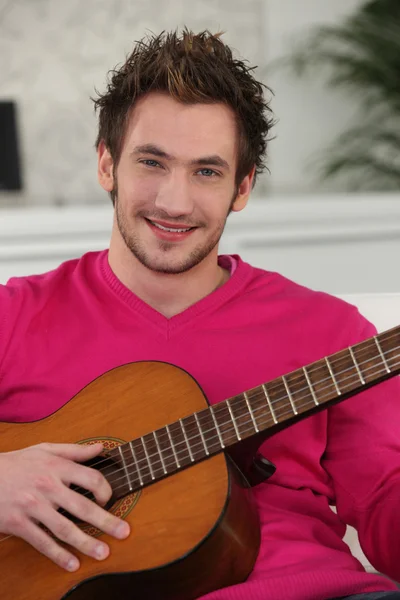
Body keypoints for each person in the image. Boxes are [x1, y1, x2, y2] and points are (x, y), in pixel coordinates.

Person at [0, 28, 399, 600]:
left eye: (206, 171)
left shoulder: (336, 334)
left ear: (243, 187)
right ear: (107, 165)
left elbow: (389, 501)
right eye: (152, 162)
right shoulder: (12, 314)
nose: (174, 202)